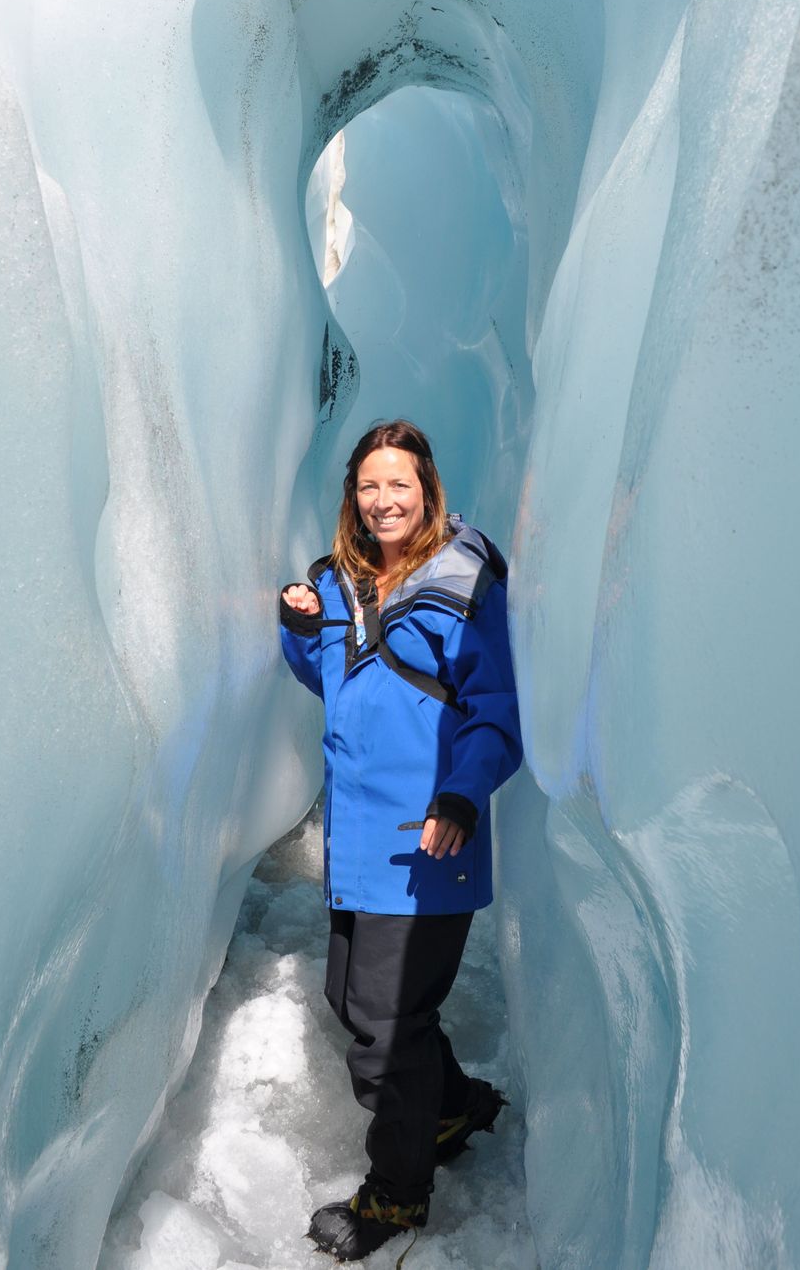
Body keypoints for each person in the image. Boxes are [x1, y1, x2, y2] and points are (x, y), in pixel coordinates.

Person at [278, 419, 523, 1262]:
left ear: (428, 490)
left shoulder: (463, 581)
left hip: (427, 843)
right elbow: (338, 686)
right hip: (359, 839)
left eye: (399, 485)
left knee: (385, 1027)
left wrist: (461, 794)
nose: (383, 500)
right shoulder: (345, 579)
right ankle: (452, 1105)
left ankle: (396, 1195)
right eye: (369, 486)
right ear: (353, 494)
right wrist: (301, 626)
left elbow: (494, 710)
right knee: (358, 1004)